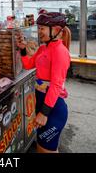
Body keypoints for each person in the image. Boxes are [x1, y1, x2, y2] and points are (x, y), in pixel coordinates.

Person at [17, 12, 71, 153]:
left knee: (45, 150)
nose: (39, 31)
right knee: (46, 148)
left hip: (53, 110)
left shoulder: (60, 52)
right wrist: (23, 50)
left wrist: (44, 113)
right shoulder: (43, 48)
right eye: (39, 28)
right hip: (42, 105)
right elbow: (28, 65)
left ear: (56, 29)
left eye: (43, 28)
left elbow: (56, 85)